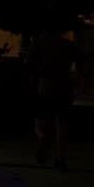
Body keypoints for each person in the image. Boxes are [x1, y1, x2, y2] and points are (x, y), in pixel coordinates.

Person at [28, 28, 80, 170]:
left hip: (45, 85)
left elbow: (30, 65)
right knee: (62, 123)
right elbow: (81, 59)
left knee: (40, 121)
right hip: (64, 85)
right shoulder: (68, 45)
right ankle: (60, 158)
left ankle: (44, 138)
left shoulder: (38, 43)